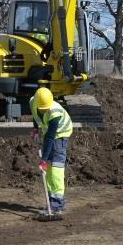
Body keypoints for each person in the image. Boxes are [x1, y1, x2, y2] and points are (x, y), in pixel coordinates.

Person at [29, 87, 73, 217]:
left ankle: (57, 204)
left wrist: (43, 160)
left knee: (56, 169)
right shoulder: (33, 102)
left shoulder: (54, 113)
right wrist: (36, 128)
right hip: (49, 134)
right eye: (42, 108)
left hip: (61, 135)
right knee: (48, 171)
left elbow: (50, 137)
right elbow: (36, 115)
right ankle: (52, 203)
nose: (44, 110)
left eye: (46, 107)